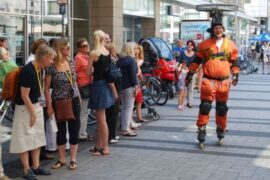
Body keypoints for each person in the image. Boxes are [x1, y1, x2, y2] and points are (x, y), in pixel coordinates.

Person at [185, 22, 239, 146]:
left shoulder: (230, 45)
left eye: (220, 28)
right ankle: (202, 128)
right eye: (216, 28)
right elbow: (196, 60)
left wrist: (236, 74)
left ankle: (221, 127)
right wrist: (189, 74)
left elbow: (235, 61)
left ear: (223, 30)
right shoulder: (204, 44)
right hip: (208, 80)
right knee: (205, 106)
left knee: (221, 107)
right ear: (212, 30)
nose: (218, 30)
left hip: (224, 81)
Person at [10, 44, 54, 180]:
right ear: (44, 57)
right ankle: (26, 169)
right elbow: (24, 95)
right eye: (51, 59)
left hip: (36, 105)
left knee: (37, 137)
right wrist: (33, 113)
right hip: (25, 108)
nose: (52, 61)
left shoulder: (41, 69)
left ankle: (36, 166)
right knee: (24, 138)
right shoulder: (28, 71)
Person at [45, 39, 81, 170]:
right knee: (60, 131)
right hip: (59, 102)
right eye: (67, 48)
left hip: (74, 100)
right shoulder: (51, 66)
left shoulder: (70, 63)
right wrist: (49, 106)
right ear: (60, 50)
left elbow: (75, 82)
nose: (69, 50)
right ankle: (61, 159)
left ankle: (73, 159)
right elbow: (46, 88)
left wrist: (79, 98)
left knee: (74, 129)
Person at [87, 30, 117, 156]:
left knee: (101, 119)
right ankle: (99, 145)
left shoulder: (94, 53)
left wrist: (93, 70)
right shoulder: (108, 52)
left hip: (98, 85)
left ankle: (104, 147)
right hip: (105, 85)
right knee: (101, 119)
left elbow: (88, 72)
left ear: (95, 39)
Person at [118, 42, 138, 137]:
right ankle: (126, 128)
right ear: (130, 49)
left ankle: (124, 126)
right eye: (134, 48)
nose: (135, 50)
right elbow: (133, 75)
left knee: (124, 108)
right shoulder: (131, 60)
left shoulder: (120, 59)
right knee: (128, 107)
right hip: (129, 86)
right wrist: (136, 86)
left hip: (121, 86)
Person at [74, 38, 93, 141]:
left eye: (87, 45)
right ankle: (81, 134)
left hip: (88, 85)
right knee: (83, 111)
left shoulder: (87, 56)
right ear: (79, 48)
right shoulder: (78, 58)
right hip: (82, 86)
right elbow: (74, 74)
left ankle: (83, 132)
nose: (87, 47)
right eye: (84, 46)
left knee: (86, 111)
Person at [105, 42, 121, 144]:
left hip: (116, 86)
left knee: (113, 112)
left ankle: (112, 134)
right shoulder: (109, 61)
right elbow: (109, 78)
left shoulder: (114, 59)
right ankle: (110, 136)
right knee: (112, 113)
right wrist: (115, 92)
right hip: (113, 87)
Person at [177, 40, 196, 108]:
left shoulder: (195, 54)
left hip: (192, 72)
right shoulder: (183, 53)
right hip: (184, 73)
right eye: (188, 44)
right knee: (183, 89)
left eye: (191, 45)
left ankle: (189, 102)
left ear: (193, 46)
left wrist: (196, 71)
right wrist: (177, 67)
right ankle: (182, 103)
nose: (189, 46)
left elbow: (197, 64)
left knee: (190, 88)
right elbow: (178, 61)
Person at [134, 44, 147, 123]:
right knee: (134, 101)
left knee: (139, 100)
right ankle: (138, 117)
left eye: (137, 49)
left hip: (137, 82)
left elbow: (137, 67)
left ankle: (139, 117)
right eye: (134, 49)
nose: (135, 50)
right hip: (133, 81)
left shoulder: (140, 60)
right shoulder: (132, 58)